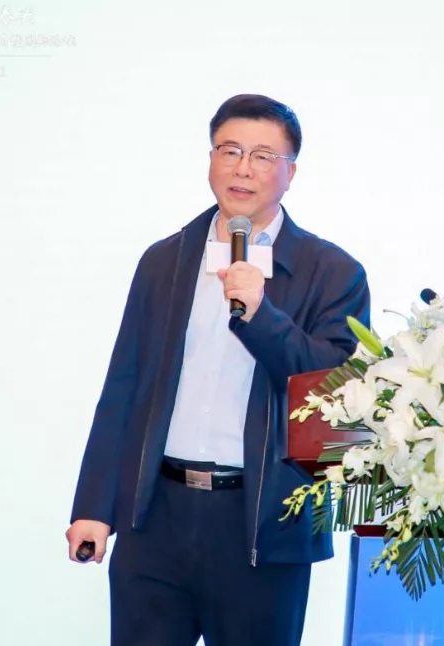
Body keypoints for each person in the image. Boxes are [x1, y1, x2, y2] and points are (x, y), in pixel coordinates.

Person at [64, 94, 371, 646]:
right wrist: (93, 506)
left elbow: (333, 396)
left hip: (260, 526)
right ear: (211, 159)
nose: (243, 168)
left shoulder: (332, 272)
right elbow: (124, 387)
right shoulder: (165, 259)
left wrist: (261, 316)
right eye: (230, 150)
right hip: (156, 518)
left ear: (290, 173)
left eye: (263, 156)